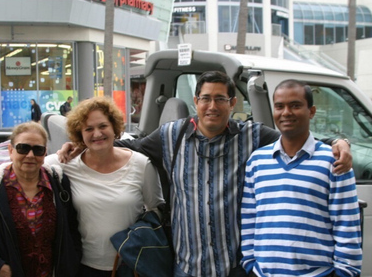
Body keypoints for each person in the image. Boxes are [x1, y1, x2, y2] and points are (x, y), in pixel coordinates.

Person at [57, 71, 353, 277]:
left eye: (221, 99)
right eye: (206, 98)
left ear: (233, 104)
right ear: (196, 101)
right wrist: (80, 144)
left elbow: (291, 134)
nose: (213, 106)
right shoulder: (171, 135)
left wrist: (338, 143)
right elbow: (127, 144)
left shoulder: (251, 137)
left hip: (235, 267)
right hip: (186, 267)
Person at [0, 97, 165, 277]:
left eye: (103, 126)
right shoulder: (64, 164)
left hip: (130, 266)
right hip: (83, 267)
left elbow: (156, 210)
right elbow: (25, 162)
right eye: (88, 129)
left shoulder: (141, 164)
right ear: (80, 134)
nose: (97, 133)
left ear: (115, 127)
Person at [240, 79, 362, 277]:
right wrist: (250, 262)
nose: (286, 112)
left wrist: (345, 272)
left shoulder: (335, 160)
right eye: (280, 106)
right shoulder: (257, 160)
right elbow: (249, 217)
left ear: (311, 111)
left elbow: (347, 222)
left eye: (295, 105)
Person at [0, 121, 82, 277]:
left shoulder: (58, 184)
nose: (30, 155)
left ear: (45, 153)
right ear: (10, 151)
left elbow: (72, 228)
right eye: (23, 148)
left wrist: (71, 263)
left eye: (38, 150)